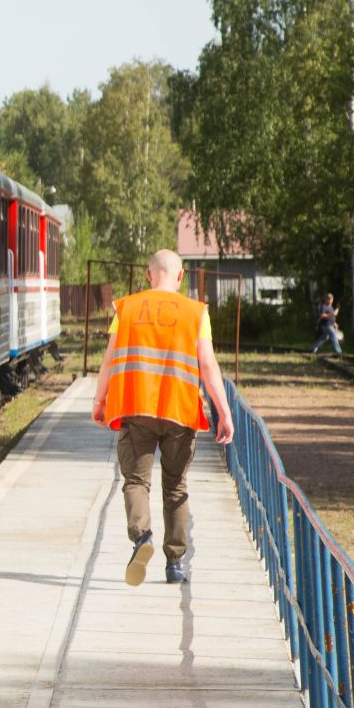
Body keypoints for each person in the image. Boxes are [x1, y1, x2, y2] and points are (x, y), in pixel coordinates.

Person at [91, 249, 235, 586]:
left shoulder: (125, 308)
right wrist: (224, 412)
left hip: (135, 406)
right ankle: (176, 563)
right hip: (180, 410)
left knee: (136, 482)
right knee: (175, 487)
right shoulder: (196, 313)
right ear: (181, 277)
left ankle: (142, 538)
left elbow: (109, 360)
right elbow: (208, 366)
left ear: (148, 274)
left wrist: (100, 400)